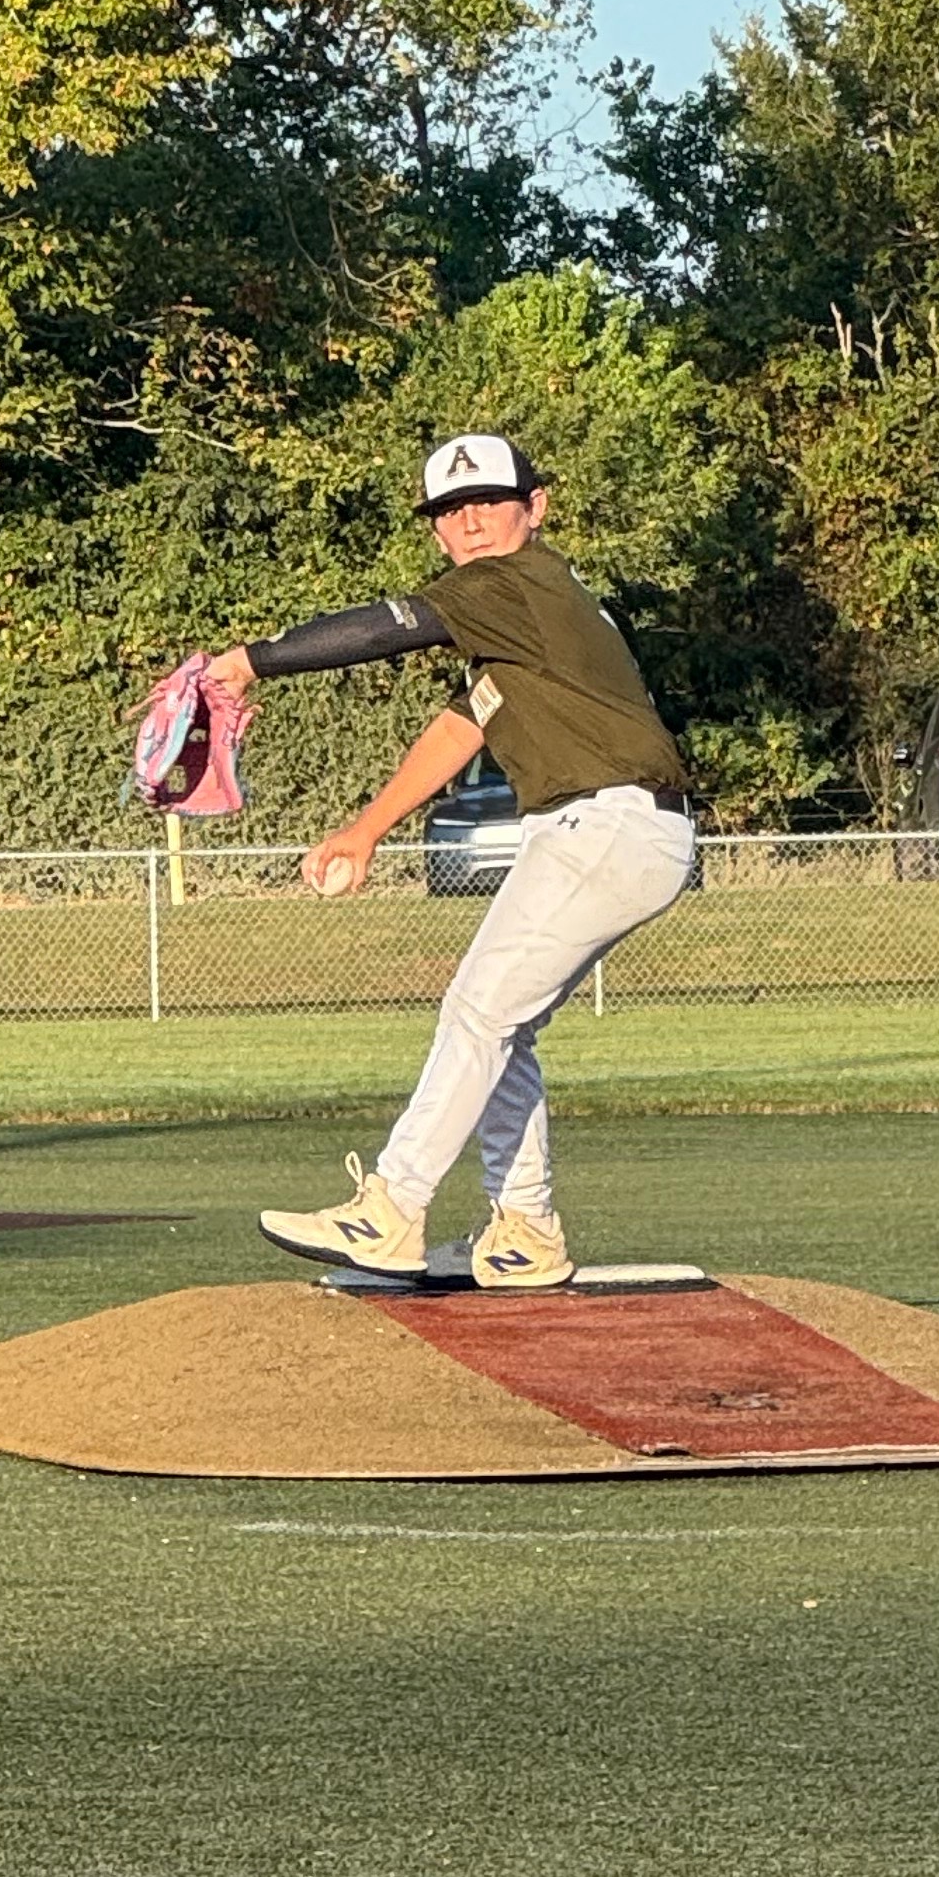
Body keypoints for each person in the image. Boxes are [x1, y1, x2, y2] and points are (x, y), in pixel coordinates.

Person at [197, 434, 696, 1285]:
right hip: (606, 827)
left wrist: (252, 661)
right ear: (436, 530)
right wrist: (368, 827)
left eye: (489, 503)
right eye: (450, 512)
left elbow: (391, 627)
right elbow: (466, 722)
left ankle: (390, 1207)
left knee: (477, 1014)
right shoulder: (524, 613)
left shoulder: (516, 582)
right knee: (501, 1024)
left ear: (534, 508)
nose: (470, 524)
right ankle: (525, 1229)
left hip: (607, 823)